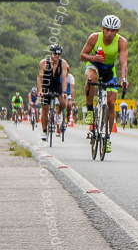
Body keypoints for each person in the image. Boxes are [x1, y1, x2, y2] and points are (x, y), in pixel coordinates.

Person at [80, 14, 129, 153]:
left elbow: (123, 63)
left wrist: (124, 78)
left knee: (112, 103)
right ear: (102, 28)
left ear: (117, 32)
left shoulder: (121, 42)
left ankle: (107, 137)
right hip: (94, 65)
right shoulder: (94, 37)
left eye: (112, 31)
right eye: (106, 29)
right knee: (91, 79)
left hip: (108, 70)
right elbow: (82, 55)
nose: (109, 33)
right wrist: (93, 57)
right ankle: (90, 110)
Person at [37, 44, 69, 140]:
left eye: (59, 54)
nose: (57, 56)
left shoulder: (63, 63)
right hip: (47, 86)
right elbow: (39, 78)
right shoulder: (44, 63)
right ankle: (44, 131)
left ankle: (58, 113)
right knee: (45, 109)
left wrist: (64, 92)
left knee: (63, 102)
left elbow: (64, 78)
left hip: (57, 85)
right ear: (51, 53)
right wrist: (40, 90)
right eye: (55, 54)